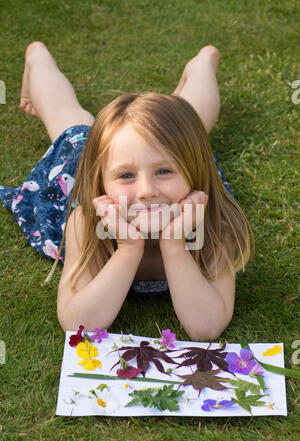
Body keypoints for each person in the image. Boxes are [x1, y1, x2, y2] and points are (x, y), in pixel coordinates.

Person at [0, 41, 254, 341]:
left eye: (164, 171)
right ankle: (38, 60)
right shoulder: (86, 222)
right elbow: (76, 322)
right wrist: (129, 247)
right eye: (126, 176)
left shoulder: (211, 221)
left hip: (169, 160)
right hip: (82, 168)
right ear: (103, 181)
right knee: (67, 121)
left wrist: (173, 243)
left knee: (193, 121)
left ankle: (202, 65)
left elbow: (206, 327)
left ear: (193, 170)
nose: (146, 191)